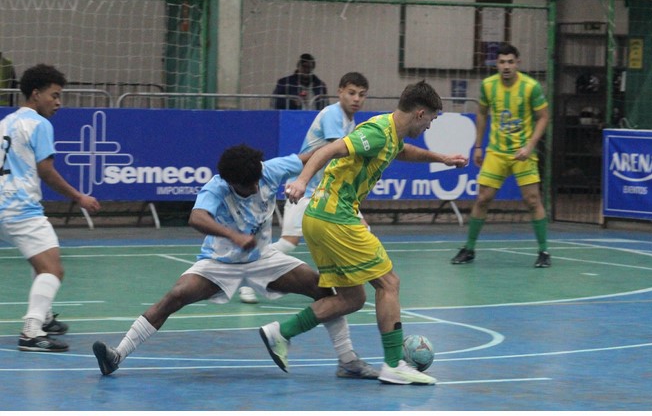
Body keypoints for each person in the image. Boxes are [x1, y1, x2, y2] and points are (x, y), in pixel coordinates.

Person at [91, 144, 377, 379]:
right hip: (219, 263)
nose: (255, 187)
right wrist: (234, 236)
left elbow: (312, 156)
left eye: (256, 181)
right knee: (174, 297)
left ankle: (347, 361)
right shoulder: (216, 187)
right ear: (230, 182)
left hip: (263, 258)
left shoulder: (269, 170)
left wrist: (345, 147)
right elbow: (196, 218)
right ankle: (117, 355)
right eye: (247, 185)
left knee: (324, 290)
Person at [259, 80, 468, 385]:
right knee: (389, 283)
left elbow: (403, 151)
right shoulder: (377, 132)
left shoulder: (390, 133)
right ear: (420, 113)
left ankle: (281, 332)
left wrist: (442, 159)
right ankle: (394, 365)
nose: (428, 127)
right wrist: (302, 180)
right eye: (431, 121)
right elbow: (329, 149)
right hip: (335, 216)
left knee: (352, 298)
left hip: (319, 217)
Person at [240, 71, 370, 304]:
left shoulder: (350, 122)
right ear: (340, 91)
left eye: (361, 95)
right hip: (306, 190)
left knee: (362, 230)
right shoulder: (332, 115)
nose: (356, 99)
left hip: (330, 193)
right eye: (351, 93)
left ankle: (335, 282)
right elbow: (339, 153)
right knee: (289, 242)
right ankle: (249, 277)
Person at [0, 64, 101, 352]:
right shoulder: (40, 124)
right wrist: (79, 197)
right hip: (20, 208)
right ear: (36, 94)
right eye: (54, 96)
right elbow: (46, 172)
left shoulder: (5, 123)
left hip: (3, 205)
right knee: (53, 269)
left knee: (42, 260)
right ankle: (32, 331)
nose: (58, 103)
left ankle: (43, 317)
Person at [451, 43, 551, 268]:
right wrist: (478, 146)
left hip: (522, 152)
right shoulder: (488, 85)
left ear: (518, 63)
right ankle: (469, 248)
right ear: (496, 64)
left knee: (532, 200)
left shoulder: (531, 87)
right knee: (483, 198)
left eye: (510, 62)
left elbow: (544, 117)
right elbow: (482, 113)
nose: (506, 66)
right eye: (502, 62)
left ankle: (544, 251)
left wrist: (530, 146)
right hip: (496, 152)